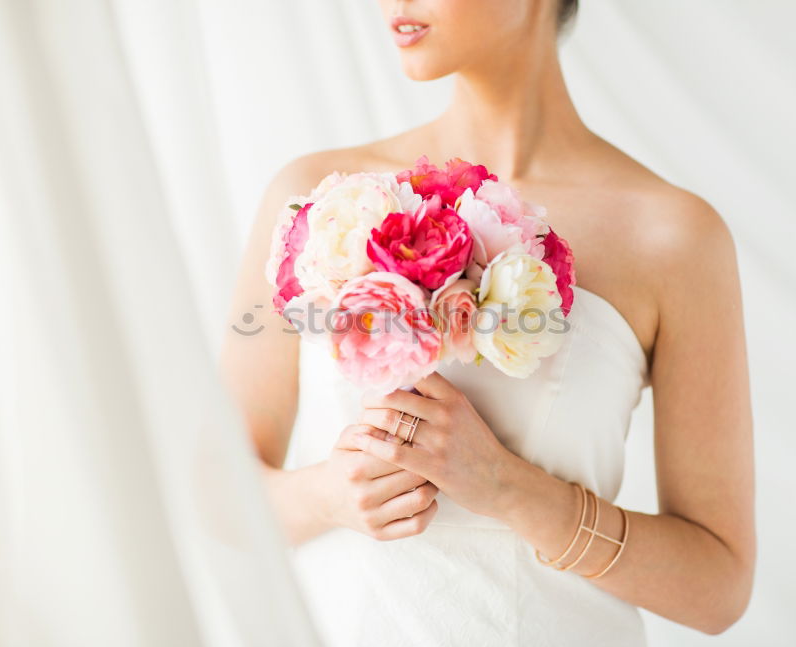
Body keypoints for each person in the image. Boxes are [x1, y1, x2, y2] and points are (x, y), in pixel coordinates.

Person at [222, 0, 755, 644]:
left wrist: (510, 490)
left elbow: (717, 589)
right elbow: (217, 500)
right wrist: (329, 496)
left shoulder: (673, 237)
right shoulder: (322, 204)